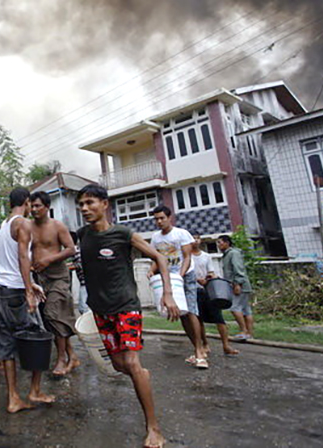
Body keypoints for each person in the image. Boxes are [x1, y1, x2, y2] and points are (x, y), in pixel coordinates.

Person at [76, 184, 178, 448]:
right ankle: (142, 375)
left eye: (90, 203)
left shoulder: (123, 234)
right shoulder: (81, 236)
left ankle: (153, 428)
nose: (85, 209)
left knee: (131, 363)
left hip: (126, 306)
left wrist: (167, 293)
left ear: (105, 204)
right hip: (100, 309)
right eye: (81, 205)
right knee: (120, 366)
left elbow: (160, 258)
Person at [0, 187, 53, 413]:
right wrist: (28, 289)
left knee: (6, 343)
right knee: (39, 337)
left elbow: (9, 262)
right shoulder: (23, 224)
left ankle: (13, 397)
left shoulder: (5, 225)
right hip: (16, 291)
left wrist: (30, 283)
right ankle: (34, 390)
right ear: (26, 202)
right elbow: (22, 258)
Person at [149, 205, 207, 370]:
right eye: (156, 219)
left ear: (169, 218)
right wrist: (151, 270)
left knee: (191, 311)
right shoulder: (155, 238)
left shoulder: (181, 233)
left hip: (184, 276)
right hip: (168, 278)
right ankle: (198, 348)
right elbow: (156, 258)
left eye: (162, 218)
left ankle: (199, 352)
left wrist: (180, 276)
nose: (159, 221)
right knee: (181, 313)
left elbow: (187, 257)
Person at [29, 191, 80, 376]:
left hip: (58, 276)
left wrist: (49, 260)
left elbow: (71, 249)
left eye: (37, 206)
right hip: (39, 279)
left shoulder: (57, 226)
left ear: (47, 207)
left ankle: (61, 359)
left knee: (53, 315)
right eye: (32, 206)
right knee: (51, 321)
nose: (34, 209)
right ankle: (72, 355)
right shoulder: (28, 227)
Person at [191, 233, 239, 356]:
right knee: (198, 319)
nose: (195, 241)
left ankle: (226, 345)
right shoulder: (187, 257)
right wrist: (197, 280)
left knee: (219, 318)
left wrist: (210, 277)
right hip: (194, 290)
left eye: (197, 238)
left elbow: (211, 271)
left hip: (209, 289)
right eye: (193, 238)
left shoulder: (206, 256)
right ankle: (205, 344)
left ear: (200, 240)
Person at [218, 235, 255, 341]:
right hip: (239, 285)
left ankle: (244, 331)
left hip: (239, 285)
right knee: (245, 310)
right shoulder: (227, 255)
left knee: (235, 308)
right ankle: (249, 333)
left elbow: (238, 269)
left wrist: (237, 284)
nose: (219, 245)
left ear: (227, 243)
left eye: (220, 242)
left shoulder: (233, 253)